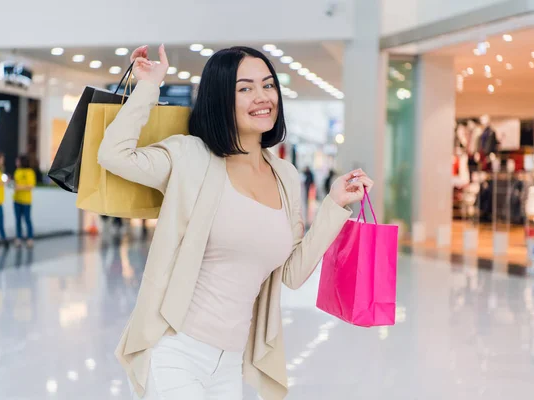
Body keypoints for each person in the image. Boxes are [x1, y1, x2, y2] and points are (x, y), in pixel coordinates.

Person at [97, 44, 374, 400]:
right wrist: (150, 85)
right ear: (220, 100)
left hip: (229, 361)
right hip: (175, 350)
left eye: (268, 85)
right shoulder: (191, 157)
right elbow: (113, 155)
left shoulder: (285, 176)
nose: (262, 97)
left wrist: (334, 205)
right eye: (245, 88)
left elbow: (292, 273)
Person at [13, 155, 36, 247]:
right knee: (18, 220)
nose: (16, 163)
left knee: (27, 220)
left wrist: (20, 187)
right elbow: (15, 183)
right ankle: (18, 238)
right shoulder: (17, 171)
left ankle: (30, 238)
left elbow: (31, 186)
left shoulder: (30, 172)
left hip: (26, 201)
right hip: (16, 200)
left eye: (18, 161)